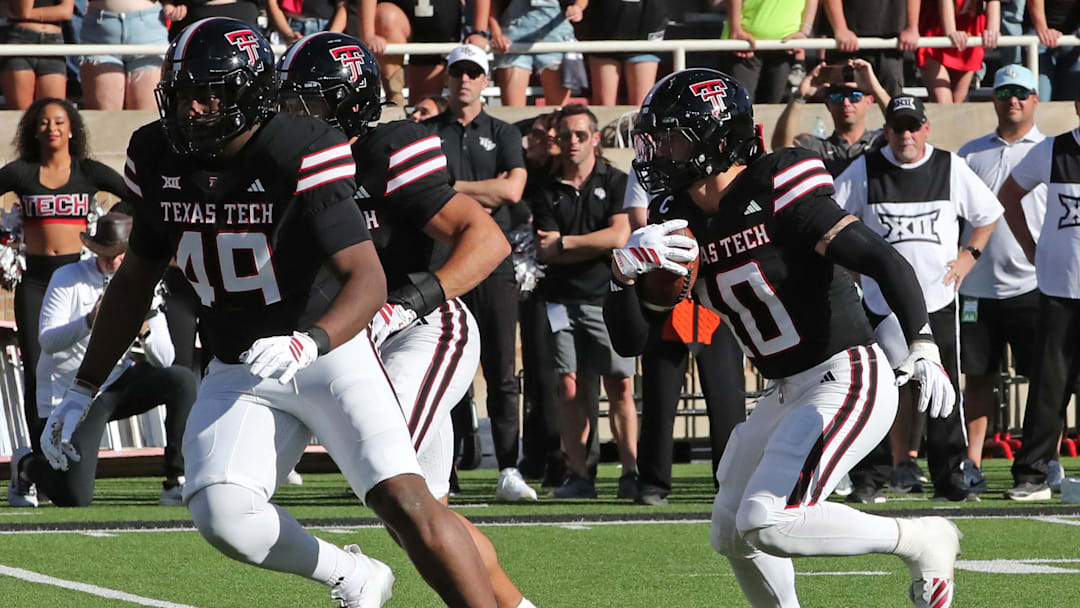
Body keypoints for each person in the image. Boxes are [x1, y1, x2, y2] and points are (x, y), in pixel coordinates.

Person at [40, 18, 496, 608]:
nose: (193, 108)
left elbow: (367, 276)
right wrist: (82, 388)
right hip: (237, 361)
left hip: (329, 352)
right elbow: (135, 277)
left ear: (251, 93)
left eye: (210, 93)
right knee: (222, 512)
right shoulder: (155, 151)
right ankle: (353, 575)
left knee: (407, 503)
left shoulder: (298, 148)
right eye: (182, 93)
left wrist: (312, 342)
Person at [606, 68, 961, 608]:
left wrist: (924, 342)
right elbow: (633, 339)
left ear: (716, 139)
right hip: (784, 391)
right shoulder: (675, 217)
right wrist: (623, 276)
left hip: (847, 373)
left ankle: (921, 540)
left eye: (672, 136)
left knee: (767, 520)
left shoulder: (777, 181)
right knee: (730, 530)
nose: (658, 151)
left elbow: (881, 258)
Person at [277, 31, 538, 608]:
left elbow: (486, 238)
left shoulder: (385, 150)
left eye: (306, 99)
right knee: (423, 517)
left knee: (396, 490)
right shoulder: (288, 160)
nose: (292, 111)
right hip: (354, 340)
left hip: (421, 329)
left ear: (347, 102)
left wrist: (410, 302)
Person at [834, 96, 1001, 501]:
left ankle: (950, 477)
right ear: (886, 132)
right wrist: (857, 271)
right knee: (875, 391)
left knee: (945, 392)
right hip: (880, 305)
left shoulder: (949, 166)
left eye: (913, 127)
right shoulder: (866, 169)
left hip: (937, 302)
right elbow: (833, 219)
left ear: (926, 128)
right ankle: (869, 478)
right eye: (898, 128)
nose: (906, 135)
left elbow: (988, 214)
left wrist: (968, 257)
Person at [9, 213, 199, 507]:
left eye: (119, 255)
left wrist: (145, 326)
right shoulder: (68, 278)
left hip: (115, 384)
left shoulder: (145, 283)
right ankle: (26, 465)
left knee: (182, 380)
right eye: (105, 254)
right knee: (75, 497)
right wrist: (89, 320)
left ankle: (176, 479)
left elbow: (166, 359)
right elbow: (47, 340)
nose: (112, 262)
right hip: (71, 393)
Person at [0, 98, 129, 508]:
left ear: (72, 128)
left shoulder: (88, 172)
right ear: (34, 131)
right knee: (38, 371)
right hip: (37, 282)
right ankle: (36, 464)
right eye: (44, 123)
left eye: (59, 121)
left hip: (78, 276)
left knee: (82, 367)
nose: (52, 128)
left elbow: (132, 195)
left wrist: (114, 228)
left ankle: (65, 453)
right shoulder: (23, 172)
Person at [425, 44, 531, 502]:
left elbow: (512, 190)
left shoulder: (503, 132)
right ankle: (443, 470)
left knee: (502, 369)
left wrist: (452, 190)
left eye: (473, 73)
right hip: (444, 263)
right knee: (443, 373)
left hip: (494, 262)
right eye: (457, 73)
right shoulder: (428, 132)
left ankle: (508, 466)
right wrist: (477, 195)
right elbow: (421, 191)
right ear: (446, 79)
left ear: (486, 80)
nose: (464, 80)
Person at [621, 170, 747, 506]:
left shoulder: (716, 171)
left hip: (713, 298)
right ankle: (652, 480)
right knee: (660, 396)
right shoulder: (653, 172)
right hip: (667, 294)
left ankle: (732, 479)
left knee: (727, 396)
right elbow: (639, 223)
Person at [529, 104, 635, 499]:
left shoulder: (617, 180)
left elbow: (619, 237)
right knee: (572, 387)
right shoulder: (547, 188)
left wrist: (568, 243)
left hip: (609, 297)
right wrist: (590, 243)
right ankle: (579, 474)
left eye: (579, 134)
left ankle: (630, 471)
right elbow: (546, 251)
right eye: (565, 135)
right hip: (561, 299)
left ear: (595, 138)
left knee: (620, 385)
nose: (572, 142)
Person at [956, 65, 1047, 497]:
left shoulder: (1048, 151)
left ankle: (1040, 461)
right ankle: (971, 462)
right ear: (993, 98)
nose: (1013, 99)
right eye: (1005, 91)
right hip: (977, 288)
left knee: (1044, 379)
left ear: (1035, 99)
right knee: (977, 377)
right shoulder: (969, 153)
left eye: (1021, 93)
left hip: (1034, 285)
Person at [997, 92, 1080, 501]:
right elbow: (1009, 196)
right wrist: (1033, 248)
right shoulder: (1053, 149)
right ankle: (1032, 474)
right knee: (1049, 385)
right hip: (1059, 290)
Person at [771, 58, 891, 176]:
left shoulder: (881, 141)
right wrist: (800, 97)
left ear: (869, 101)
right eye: (837, 97)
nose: (846, 103)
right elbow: (781, 148)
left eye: (854, 96)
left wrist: (875, 88)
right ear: (828, 104)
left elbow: (903, 124)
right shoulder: (816, 148)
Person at [359, 0, 492, 106]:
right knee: (386, 16)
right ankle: (394, 97)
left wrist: (479, 31)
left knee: (424, 106)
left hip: (439, 21)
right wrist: (368, 33)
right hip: (399, 17)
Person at [79, 0, 169, 110]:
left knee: (146, 117)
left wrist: (170, 4)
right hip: (101, 29)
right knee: (104, 117)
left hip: (148, 29)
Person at [489, 0, 582, 106]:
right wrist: (495, 32)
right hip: (514, 36)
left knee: (558, 111)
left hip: (557, 36)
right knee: (513, 111)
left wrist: (578, 7)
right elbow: (491, 3)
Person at [723, 0, 818, 103]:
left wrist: (805, 30)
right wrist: (735, 28)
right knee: (738, 109)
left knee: (776, 112)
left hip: (787, 47)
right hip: (744, 45)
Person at [577, 0, 666, 106]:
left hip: (645, 32)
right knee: (604, 106)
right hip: (605, 33)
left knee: (641, 105)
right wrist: (578, 6)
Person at [823, 0, 920, 96]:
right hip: (846, 43)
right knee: (844, 100)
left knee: (891, 100)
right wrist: (840, 28)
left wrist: (912, 27)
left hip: (891, 41)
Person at [917, 0, 1001, 103]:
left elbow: (993, 2)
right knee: (943, 103)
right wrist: (951, 31)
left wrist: (992, 31)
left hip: (969, 33)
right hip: (936, 34)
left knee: (958, 103)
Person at [0, 0, 72, 109]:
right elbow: (23, 10)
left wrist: (27, 14)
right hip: (20, 39)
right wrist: (27, 14)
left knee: (52, 110)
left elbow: (65, 12)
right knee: (21, 116)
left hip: (53, 42)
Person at [1027, 0, 1080, 100]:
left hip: (1074, 38)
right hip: (1039, 36)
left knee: (1073, 102)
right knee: (1041, 100)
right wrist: (1043, 30)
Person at [266, 0, 345, 42]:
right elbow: (272, 3)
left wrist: (331, 36)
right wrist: (288, 34)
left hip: (326, 27)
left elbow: (343, 6)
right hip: (287, 27)